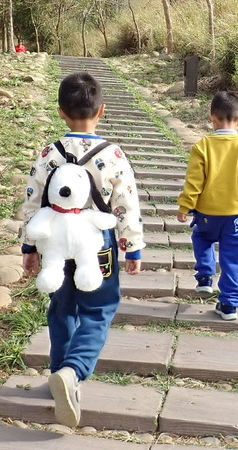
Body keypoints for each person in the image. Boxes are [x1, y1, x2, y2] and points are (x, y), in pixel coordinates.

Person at [21, 71, 144, 426]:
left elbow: (33, 202)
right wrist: (131, 246)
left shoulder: (49, 153)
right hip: (98, 244)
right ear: (102, 111)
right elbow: (125, 202)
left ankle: (59, 370)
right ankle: (73, 372)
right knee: (99, 308)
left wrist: (30, 246)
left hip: (54, 243)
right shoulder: (113, 154)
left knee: (61, 309)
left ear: (61, 111)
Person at [176, 91, 238, 321]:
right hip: (236, 217)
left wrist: (184, 206)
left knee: (201, 239)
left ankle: (204, 276)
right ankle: (229, 305)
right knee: (234, 259)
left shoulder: (202, 146)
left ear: (212, 117)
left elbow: (194, 181)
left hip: (206, 214)